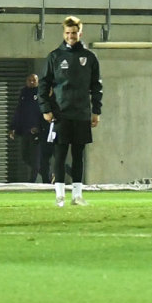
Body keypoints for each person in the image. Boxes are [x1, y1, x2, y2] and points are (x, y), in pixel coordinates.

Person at [38, 15, 102, 208]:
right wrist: (45, 109)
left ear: (80, 33)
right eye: (67, 33)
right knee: (59, 155)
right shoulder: (55, 56)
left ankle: (77, 195)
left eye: (74, 33)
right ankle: (59, 196)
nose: (71, 36)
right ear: (63, 33)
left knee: (78, 155)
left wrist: (96, 111)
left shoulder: (90, 58)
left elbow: (96, 86)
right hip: (61, 114)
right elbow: (43, 84)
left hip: (82, 114)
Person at [9, 73, 46, 182]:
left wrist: (39, 127)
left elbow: (43, 112)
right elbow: (19, 111)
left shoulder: (40, 93)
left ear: (37, 81)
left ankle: (32, 182)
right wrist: (13, 127)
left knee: (35, 159)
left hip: (37, 132)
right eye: (29, 80)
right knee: (25, 157)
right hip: (25, 130)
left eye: (34, 80)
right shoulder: (23, 93)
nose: (31, 82)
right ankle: (48, 173)